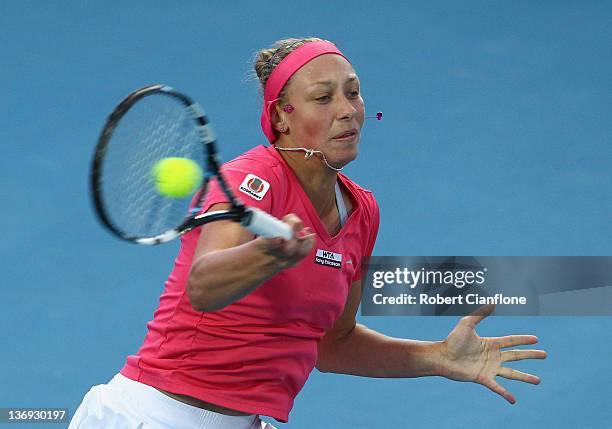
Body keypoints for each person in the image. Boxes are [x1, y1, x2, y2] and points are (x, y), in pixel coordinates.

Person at [69, 37, 547, 429]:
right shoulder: (251, 180)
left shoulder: (362, 211)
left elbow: (333, 344)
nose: (348, 110)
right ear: (281, 116)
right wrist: (268, 257)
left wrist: (438, 357)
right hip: (151, 416)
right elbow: (204, 286)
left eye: (353, 92)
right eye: (323, 98)